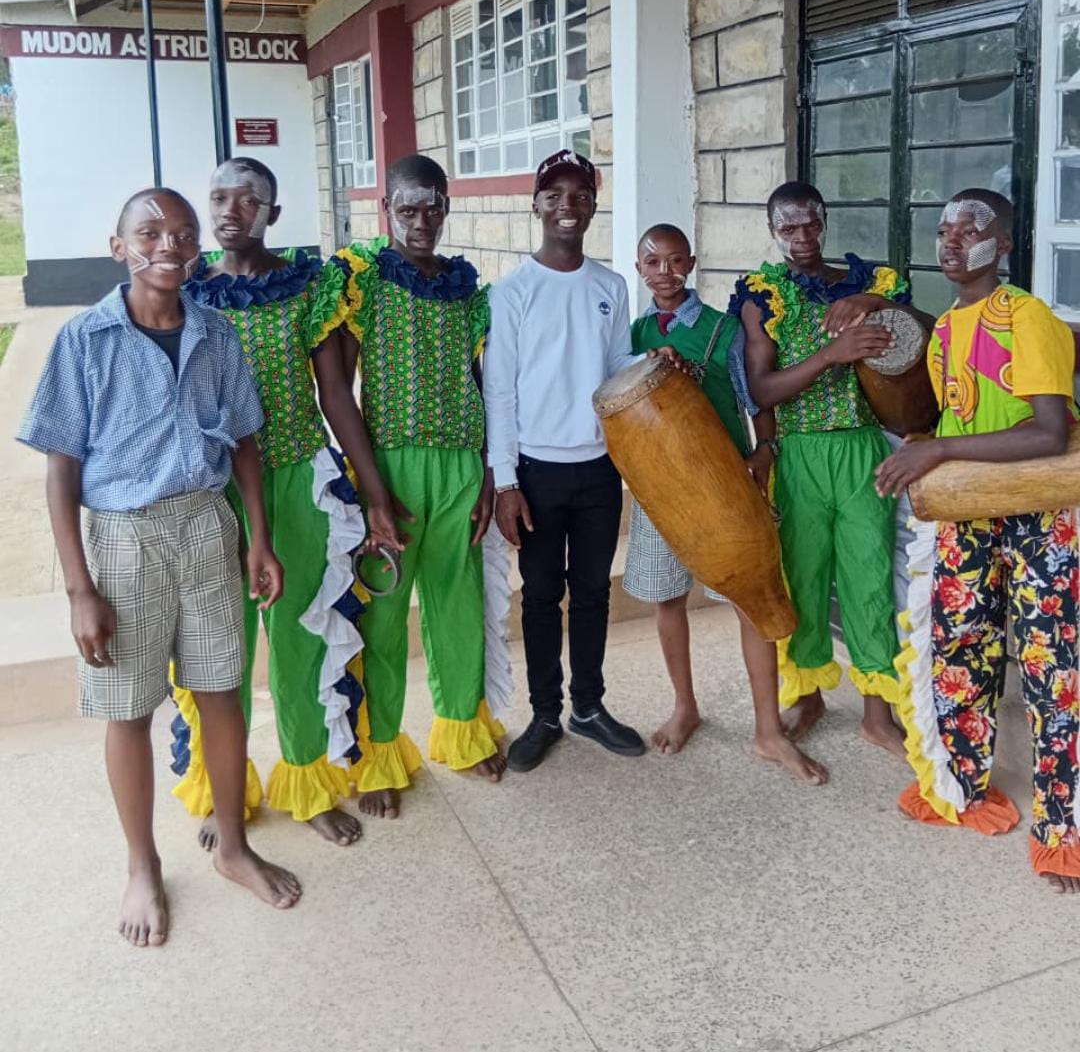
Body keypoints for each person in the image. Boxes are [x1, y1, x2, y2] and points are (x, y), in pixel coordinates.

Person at [17, 187, 301, 949]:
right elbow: (61, 470)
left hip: (207, 529)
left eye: (182, 232)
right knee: (130, 706)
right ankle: (141, 864)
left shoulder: (216, 334)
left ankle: (233, 847)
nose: (167, 244)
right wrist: (80, 588)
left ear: (198, 246)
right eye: (149, 232)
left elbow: (244, 439)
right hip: (124, 541)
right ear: (119, 246)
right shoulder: (85, 340)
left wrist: (258, 538)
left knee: (221, 691)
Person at [172, 158, 404, 848]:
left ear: (273, 212)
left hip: (298, 482)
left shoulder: (308, 287)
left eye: (249, 199)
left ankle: (308, 779)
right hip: (212, 490)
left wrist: (377, 495)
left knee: (301, 640)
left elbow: (336, 396)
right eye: (219, 197)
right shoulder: (188, 290)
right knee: (221, 648)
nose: (231, 210)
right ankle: (224, 787)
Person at [875, 188, 1080, 893]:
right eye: (943, 228)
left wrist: (935, 454)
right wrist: (927, 445)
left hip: (1040, 512)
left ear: (1006, 242)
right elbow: (964, 427)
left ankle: (1063, 830)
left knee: (1055, 667)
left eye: (972, 227)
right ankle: (959, 786)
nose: (953, 240)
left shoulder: (1029, 317)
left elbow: (1049, 431)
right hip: (970, 514)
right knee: (961, 647)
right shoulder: (943, 333)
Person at [312, 154, 507, 819]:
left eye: (433, 207)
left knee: (459, 606)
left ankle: (461, 729)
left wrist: (484, 472)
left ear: (447, 207)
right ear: (385, 209)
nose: (421, 221)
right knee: (385, 618)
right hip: (388, 465)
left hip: (459, 465)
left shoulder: (463, 287)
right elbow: (336, 390)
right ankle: (378, 753)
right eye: (408, 208)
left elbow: (482, 384)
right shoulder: (360, 278)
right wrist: (371, 492)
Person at [625, 223, 828, 782]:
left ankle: (767, 729)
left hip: (723, 480)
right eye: (652, 263)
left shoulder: (721, 329)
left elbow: (752, 396)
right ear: (640, 269)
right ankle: (685, 705)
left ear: (690, 264)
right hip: (658, 483)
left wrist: (765, 449)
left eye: (674, 261)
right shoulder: (633, 331)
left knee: (748, 597)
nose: (664, 272)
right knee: (668, 597)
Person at [734, 181, 909, 757]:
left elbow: (922, 325)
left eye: (811, 223)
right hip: (801, 452)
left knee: (870, 574)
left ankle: (876, 712)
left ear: (825, 221)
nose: (802, 236)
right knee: (803, 580)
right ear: (772, 231)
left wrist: (877, 304)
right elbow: (761, 388)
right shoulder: (764, 295)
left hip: (864, 448)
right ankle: (807, 694)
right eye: (788, 227)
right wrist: (830, 354)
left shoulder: (868, 283)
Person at [485, 149, 646, 772]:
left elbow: (613, 370)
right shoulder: (514, 292)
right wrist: (505, 483)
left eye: (579, 194)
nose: (567, 205)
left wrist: (652, 368)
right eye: (554, 194)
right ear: (536, 205)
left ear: (593, 204)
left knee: (592, 596)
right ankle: (545, 713)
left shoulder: (610, 286)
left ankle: (588, 706)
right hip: (536, 471)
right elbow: (499, 391)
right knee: (542, 594)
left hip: (599, 469)